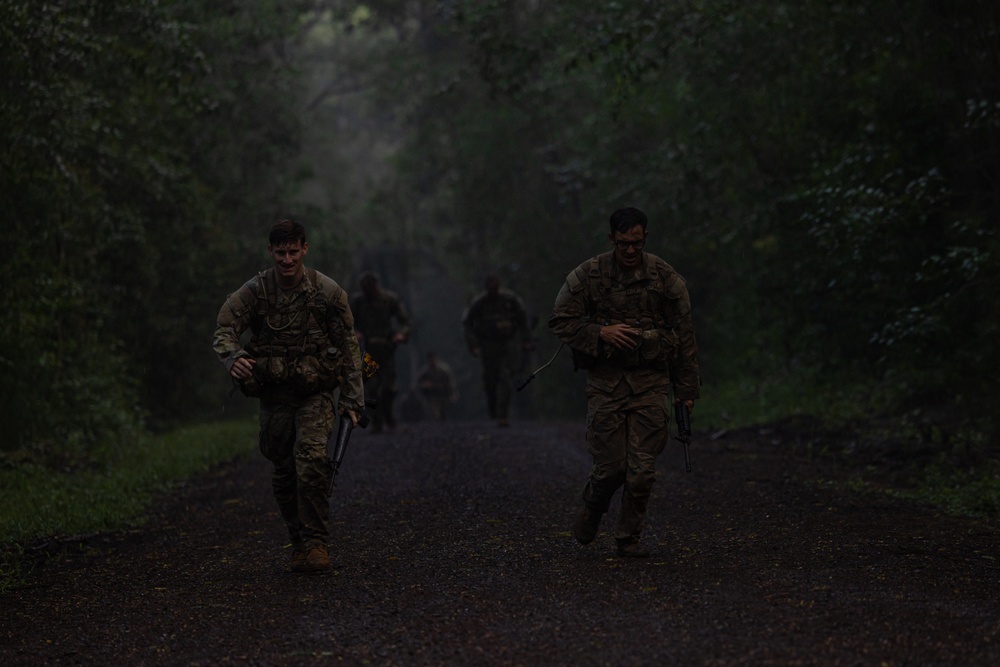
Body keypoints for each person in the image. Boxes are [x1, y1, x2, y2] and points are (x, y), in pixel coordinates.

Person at [212, 219, 364, 573]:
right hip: (275, 394)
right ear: (271, 251)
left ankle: (316, 543)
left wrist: (353, 400)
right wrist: (232, 358)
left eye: (293, 251)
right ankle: (297, 540)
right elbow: (224, 328)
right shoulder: (257, 291)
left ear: (304, 249)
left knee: (310, 460)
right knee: (283, 471)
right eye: (280, 253)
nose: (287, 260)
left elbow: (348, 347)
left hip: (316, 393)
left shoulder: (326, 292)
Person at [548, 207, 700, 558]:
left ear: (645, 238)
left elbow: (685, 335)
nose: (630, 250)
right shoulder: (589, 274)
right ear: (611, 239)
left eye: (636, 243)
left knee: (642, 471)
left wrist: (687, 391)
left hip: (651, 382)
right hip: (606, 383)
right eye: (622, 243)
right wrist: (600, 331)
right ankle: (593, 507)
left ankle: (629, 537)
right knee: (611, 468)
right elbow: (560, 320)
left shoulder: (665, 277)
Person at [462, 274, 532, 427]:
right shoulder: (480, 303)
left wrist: (526, 339)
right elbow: (468, 323)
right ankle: (493, 407)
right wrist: (473, 344)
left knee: (506, 376)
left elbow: (522, 319)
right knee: (490, 379)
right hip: (488, 345)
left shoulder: (510, 299)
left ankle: (503, 414)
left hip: (508, 343)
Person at [350, 272, 410, 432]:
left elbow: (404, 321)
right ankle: (377, 423)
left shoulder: (389, 299)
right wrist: (355, 332)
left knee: (389, 389)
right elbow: (347, 322)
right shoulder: (358, 301)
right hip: (368, 351)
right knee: (371, 389)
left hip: (386, 349)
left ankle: (389, 417)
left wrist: (401, 334)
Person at [415, 351, 458, 420]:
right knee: (434, 413)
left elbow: (451, 383)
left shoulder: (444, 370)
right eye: (431, 360)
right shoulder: (425, 371)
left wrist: (453, 394)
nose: (432, 361)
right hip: (432, 396)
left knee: (443, 413)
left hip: (444, 394)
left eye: (434, 359)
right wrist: (425, 385)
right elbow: (418, 384)